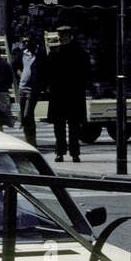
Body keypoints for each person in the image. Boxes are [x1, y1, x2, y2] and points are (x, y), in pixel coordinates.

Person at [45, 26, 88, 163]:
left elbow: (85, 73)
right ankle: (61, 152)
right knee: (60, 126)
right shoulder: (55, 52)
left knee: (73, 126)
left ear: (69, 36)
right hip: (62, 93)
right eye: (59, 35)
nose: (60, 37)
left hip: (71, 93)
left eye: (63, 35)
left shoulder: (79, 53)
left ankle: (74, 153)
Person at [18, 36, 43, 146]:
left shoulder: (40, 54)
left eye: (28, 40)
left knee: (27, 115)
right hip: (22, 88)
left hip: (33, 89)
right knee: (25, 117)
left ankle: (31, 142)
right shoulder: (22, 54)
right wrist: (22, 74)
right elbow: (16, 66)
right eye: (24, 41)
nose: (26, 43)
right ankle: (30, 142)